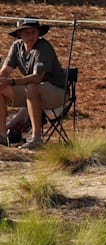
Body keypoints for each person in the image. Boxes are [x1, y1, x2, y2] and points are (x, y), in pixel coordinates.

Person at [0, 18, 67, 151]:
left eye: (33, 32)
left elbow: (37, 77)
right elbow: (5, 72)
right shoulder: (16, 46)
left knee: (32, 87)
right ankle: (2, 136)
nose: (30, 36)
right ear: (19, 34)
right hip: (31, 92)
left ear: (39, 33)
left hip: (58, 93)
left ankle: (36, 139)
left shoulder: (44, 47)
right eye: (27, 32)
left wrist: (12, 81)